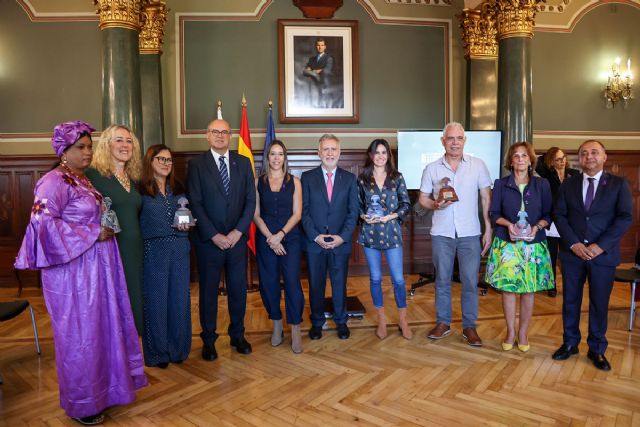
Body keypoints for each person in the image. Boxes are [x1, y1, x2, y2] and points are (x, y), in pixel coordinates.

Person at [15, 121, 147, 425]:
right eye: (80, 147)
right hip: (71, 276)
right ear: (64, 150)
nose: (87, 152)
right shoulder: (52, 182)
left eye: (89, 146)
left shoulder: (81, 180)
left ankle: (108, 392)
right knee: (80, 338)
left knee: (102, 330)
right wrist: (92, 234)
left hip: (96, 270)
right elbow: (42, 226)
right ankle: (84, 405)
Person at [552, 140, 632, 371]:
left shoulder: (618, 185)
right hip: (572, 254)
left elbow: (625, 218)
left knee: (599, 303)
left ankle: (597, 349)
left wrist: (600, 246)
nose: (589, 157)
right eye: (584, 153)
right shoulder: (568, 185)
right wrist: (574, 243)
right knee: (570, 301)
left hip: (602, 256)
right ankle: (570, 343)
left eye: (594, 152)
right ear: (579, 159)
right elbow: (559, 215)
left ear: (604, 157)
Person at [187, 119, 256, 361]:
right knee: (208, 293)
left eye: (224, 132)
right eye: (215, 132)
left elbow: (250, 201)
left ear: (230, 136)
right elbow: (195, 202)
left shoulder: (243, 162)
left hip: (237, 241)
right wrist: (214, 235)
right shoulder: (196, 165)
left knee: (238, 290)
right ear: (207, 135)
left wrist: (238, 231)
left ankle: (238, 335)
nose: (220, 136)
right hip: (209, 242)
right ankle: (208, 339)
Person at [418, 122, 492, 347]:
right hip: (442, 233)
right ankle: (443, 323)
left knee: (470, 281)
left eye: (459, 138)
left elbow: (486, 199)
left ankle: (469, 326)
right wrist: (434, 205)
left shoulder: (478, 165)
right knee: (442, 280)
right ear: (443, 141)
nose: (455, 142)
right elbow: (423, 199)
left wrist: (488, 228)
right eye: (450, 138)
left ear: (464, 141)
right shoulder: (431, 168)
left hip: (470, 233)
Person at [485, 142, 555, 352]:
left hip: (534, 245)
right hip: (507, 245)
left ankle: (523, 332)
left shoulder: (542, 185)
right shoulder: (500, 184)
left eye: (524, 155)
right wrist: (509, 226)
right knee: (508, 290)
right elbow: (494, 213)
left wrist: (536, 227)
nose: (520, 159)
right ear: (511, 161)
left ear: (530, 160)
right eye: (516, 156)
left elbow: (549, 214)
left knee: (528, 291)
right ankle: (510, 332)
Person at [86, 125, 144, 335]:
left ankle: (132, 354)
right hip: (111, 250)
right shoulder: (92, 175)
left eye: (129, 141)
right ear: (107, 144)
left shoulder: (133, 178)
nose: (125, 145)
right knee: (115, 303)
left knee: (134, 299)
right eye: (119, 140)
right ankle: (115, 357)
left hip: (135, 249)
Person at [139, 144, 192, 368]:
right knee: (156, 302)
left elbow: (186, 218)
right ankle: (159, 352)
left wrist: (186, 226)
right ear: (150, 162)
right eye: (161, 159)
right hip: (153, 251)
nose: (165, 163)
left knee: (179, 301)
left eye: (169, 160)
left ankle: (178, 349)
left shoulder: (178, 188)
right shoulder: (139, 190)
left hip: (180, 249)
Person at [301, 134, 359, 340]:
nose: (329, 153)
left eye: (333, 149)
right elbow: (303, 212)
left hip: (339, 243)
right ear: (319, 152)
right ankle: (317, 322)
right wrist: (316, 236)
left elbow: (353, 213)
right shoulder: (307, 178)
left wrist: (342, 237)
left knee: (339, 284)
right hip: (314, 244)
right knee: (316, 285)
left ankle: (341, 321)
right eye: (325, 149)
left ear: (339, 152)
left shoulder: (350, 179)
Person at [357, 139, 413, 340]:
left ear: (389, 155)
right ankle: (381, 320)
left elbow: (406, 204)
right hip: (370, 234)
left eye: (384, 152)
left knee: (398, 279)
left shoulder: (397, 177)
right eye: (377, 152)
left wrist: (391, 215)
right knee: (375, 278)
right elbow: (357, 206)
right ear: (371, 155)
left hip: (392, 232)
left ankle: (402, 320)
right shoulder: (362, 178)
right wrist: (363, 215)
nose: (380, 156)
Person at [253, 140, 305, 353]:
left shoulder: (295, 182)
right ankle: (276, 323)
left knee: (292, 282)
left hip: (290, 237)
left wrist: (281, 235)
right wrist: (271, 238)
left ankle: (295, 327)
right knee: (268, 282)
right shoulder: (258, 182)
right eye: (272, 154)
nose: (276, 158)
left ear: (285, 157)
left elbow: (297, 214)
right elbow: (255, 214)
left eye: (280, 154)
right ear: (267, 158)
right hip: (266, 238)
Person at [536, 147, 579, 297]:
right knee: (551, 255)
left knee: (569, 256)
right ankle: (551, 285)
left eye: (563, 158)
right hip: (552, 221)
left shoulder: (574, 174)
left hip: (570, 222)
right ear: (551, 161)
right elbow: (538, 163)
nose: (562, 162)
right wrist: (549, 155)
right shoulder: (547, 176)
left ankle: (570, 286)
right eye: (557, 159)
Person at [303, 38, 335, 108]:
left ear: (325, 47)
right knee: (313, 103)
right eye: (318, 45)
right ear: (316, 47)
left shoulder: (329, 58)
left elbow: (327, 70)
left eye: (322, 45)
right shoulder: (312, 59)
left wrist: (317, 71)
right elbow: (305, 71)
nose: (320, 47)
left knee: (323, 103)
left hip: (324, 84)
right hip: (313, 85)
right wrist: (311, 72)